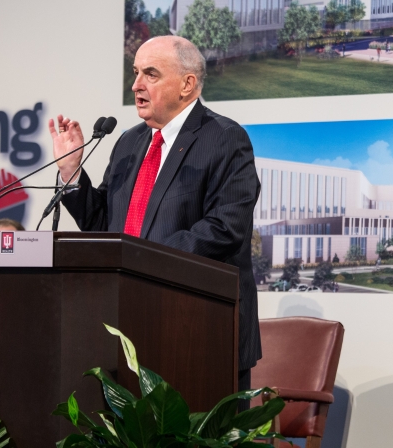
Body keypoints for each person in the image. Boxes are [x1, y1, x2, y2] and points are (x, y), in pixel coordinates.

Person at [49, 35, 261, 394]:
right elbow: (105, 226)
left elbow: (226, 227)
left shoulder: (224, 138)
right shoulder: (130, 143)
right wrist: (71, 172)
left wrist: (141, 259)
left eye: (150, 74)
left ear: (187, 84)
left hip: (197, 329)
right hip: (127, 325)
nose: (136, 85)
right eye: (135, 73)